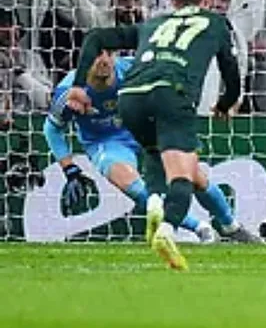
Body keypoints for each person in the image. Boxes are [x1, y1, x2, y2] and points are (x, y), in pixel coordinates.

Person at [71, 0, 257, 271]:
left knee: (161, 159)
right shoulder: (216, 23)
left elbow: (95, 37)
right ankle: (167, 229)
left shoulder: (153, 23)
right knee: (183, 173)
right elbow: (231, 75)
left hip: (130, 98)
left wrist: (79, 85)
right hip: (172, 94)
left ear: (173, 0)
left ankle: (161, 205)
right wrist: (225, 104)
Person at [45, 53, 222, 242]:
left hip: (145, 129)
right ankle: (200, 228)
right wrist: (70, 169)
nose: (103, 60)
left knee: (194, 176)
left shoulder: (133, 70)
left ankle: (230, 225)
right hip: (106, 141)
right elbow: (52, 129)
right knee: (133, 186)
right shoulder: (69, 91)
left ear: (115, 55)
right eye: (96, 55)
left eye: (108, 53)